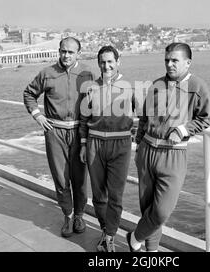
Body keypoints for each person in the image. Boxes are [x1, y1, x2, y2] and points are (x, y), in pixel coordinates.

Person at [127, 42, 210, 252]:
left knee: (162, 211)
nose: (170, 64)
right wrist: (138, 147)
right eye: (167, 60)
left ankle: (134, 238)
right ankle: (152, 252)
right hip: (147, 151)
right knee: (147, 208)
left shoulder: (198, 87)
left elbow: (205, 119)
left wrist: (183, 130)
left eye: (175, 60)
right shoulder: (156, 85)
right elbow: (144, 119)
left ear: (188, 62)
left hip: (173, 155)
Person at [23, 37, 94, 238]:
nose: (66, 55)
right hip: (55, 132)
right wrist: (38, 116)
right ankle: (68, 216)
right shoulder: (47, 73)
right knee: (61, 178)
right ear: (59, 50)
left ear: (78, 53)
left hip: (80, 132)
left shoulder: (88, 73)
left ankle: (80, 215)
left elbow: (97, 100)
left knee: (80, 179)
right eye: (63, 51)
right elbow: (29, 94)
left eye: (71, 52)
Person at [80, 45, 134, 252]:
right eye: (102, 62)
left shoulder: (130, 87)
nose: (106, 65)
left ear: (118, 62)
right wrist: (84, 145)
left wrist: (137, 140)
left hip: (120, 146)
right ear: (98, 63)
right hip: (95, 145)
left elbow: (146, 116)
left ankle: (110, 235)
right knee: (99, 195)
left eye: (110, 61)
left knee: (116, 196)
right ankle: (105, 230)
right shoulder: (90, 87)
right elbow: (84, 119)